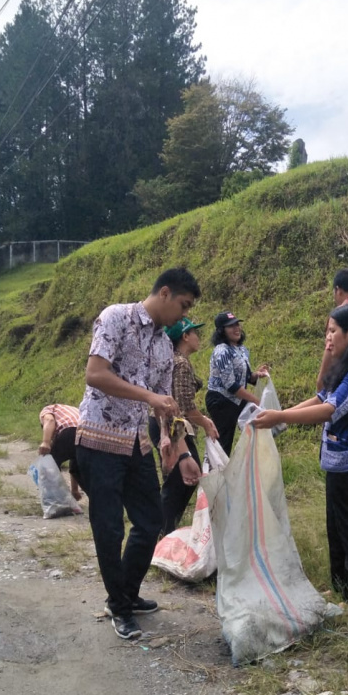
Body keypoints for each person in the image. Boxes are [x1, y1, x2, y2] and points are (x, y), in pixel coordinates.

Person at [75, 267, 202, 641]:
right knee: (110, 527)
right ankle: (119, 604)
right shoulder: (116, 318)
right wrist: (148, 396)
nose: (184, 315)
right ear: (164, 293)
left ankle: (125, 594)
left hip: (136, 443)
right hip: (98, 438)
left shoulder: (164, 345)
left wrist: (179, 451)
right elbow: (95, 374)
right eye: (183, 305)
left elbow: (168, 408)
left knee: (149, 523)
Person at [254, 302, 348, 605]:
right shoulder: (345, 367)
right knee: (336, 529)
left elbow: (329, 410)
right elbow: (320, 397)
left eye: (332, 331)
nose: (327, 338)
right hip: (340, 465)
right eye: (326, 332)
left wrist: (280, 418)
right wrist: (277, 413)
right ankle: (341, 587)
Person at [154, 316, 219, 535]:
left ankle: (166, 528)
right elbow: (184, 405)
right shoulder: (180, 363)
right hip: (174, 427)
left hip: (165, 424)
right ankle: (163, 531)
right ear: (185, 336)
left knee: (178, 481)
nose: (198, 337)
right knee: (181, 480)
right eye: (195, 333)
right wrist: (205, 421)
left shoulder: (173, 360)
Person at [205, 311, 270, 455]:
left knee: (255, 431)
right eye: (231, 326)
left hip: (237, 399)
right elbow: (231, 385)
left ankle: (247, 468)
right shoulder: (222, 351)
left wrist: (256, 375)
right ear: (222, 331)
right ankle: (215, 473)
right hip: (221, 400)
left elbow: (245, 377)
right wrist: (255, 400)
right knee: (223, 442)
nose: (236, 328)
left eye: (237, 324)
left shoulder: (241, 349)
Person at [38, 403, 83, 500]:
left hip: (68, 431)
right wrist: (74, 490)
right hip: (85, 433)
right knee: (77, 465)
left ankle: (54, 501)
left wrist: (46, 442)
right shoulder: (73, 410)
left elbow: (49, 420)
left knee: (50, 465)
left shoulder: (48, 410)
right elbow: (72, 460)